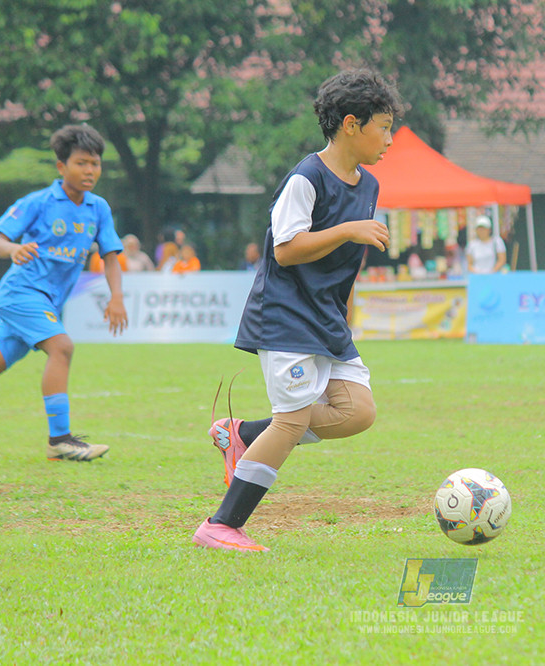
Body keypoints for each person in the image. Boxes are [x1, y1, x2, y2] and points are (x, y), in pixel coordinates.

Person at [192, 69, 402, 551]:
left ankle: (242, 434)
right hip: (285, 314)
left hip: (325, 320)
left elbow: (343, 263)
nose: (389, 139)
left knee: (358, 412)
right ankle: (221, 525)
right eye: (383, 126)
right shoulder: (306, 178)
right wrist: (350, 230)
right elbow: (285, 249)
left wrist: (345, 309)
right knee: (291, 421)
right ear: (351, 124)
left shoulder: (368, 185)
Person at [0, 124, 127, 461]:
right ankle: (61, 440)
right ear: (61, 167)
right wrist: (12, 249)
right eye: (81, 163)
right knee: (62, 347)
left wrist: (117, 298)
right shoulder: (38, 202)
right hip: (21, 293)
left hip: (45, 301)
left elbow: (110, 257)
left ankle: (59, 442)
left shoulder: (98, 208)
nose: (89, 171)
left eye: (95, 164)